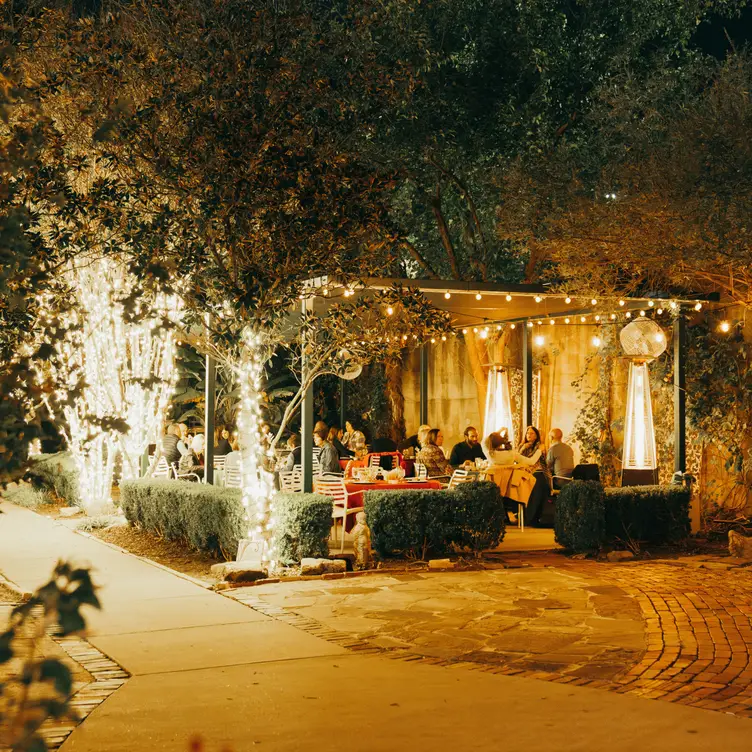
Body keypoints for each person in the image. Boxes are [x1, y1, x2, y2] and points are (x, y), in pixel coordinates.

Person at [516, 426, 551, 527]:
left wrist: (530, 469)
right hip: (524, 473)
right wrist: (523, 448)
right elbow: (517, 458)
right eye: (527, 433)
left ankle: (533, 518)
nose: (529, 435)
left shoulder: (540, 446)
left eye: (532, 433)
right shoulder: (521, 446)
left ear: (536, 436)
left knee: (537, 483)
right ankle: (524, 516)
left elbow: (535, 461)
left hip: (538, 472)